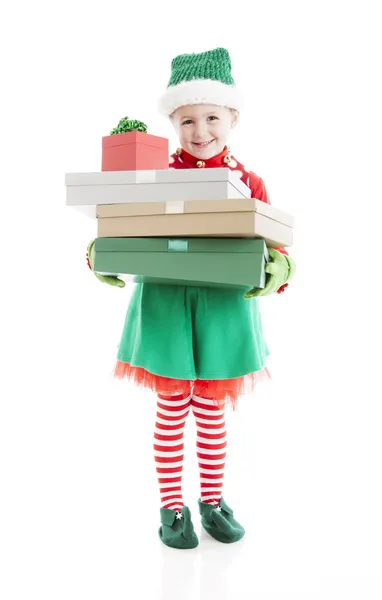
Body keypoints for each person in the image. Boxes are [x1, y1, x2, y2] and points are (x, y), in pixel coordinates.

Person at [86, 47, 296, 549]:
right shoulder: (154, 175)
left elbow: (274, 240)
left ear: (233, 118)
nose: (200, 131)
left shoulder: (251, 181)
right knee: (171, 407)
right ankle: (171, 508)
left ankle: (212, 501)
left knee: (210, 411)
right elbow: (122, 221)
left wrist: (281, 265)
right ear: (174, 123)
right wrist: (101, 250)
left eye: (211, 118)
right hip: (166, 305)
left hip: (224, 309)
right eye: (187, 121)